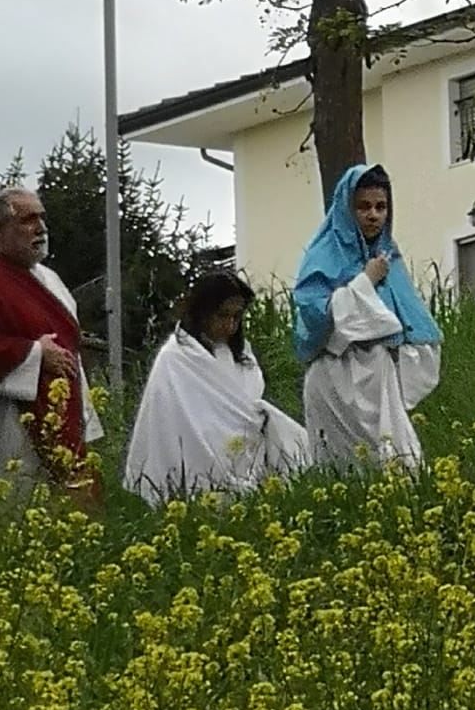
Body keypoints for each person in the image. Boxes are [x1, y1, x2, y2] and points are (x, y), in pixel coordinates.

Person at [0, 186, 102, 493]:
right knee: (10, 501)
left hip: (58, 417)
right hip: (5, 424)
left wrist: (84, 419)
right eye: (27, 219)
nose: (41, 228)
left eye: (41, 218)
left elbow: (70, 351)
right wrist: (34, 354)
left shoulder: (52, 280)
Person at [292, 163, 441, 471]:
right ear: (346, 209)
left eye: (380, 207)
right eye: (363, 207)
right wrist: (365, 281)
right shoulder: (322, 256)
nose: (373, 215)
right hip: (335, 379)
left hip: (379, 377)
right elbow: (317, 317)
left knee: (400, 465)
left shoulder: (388, 257)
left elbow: (408, 321)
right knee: (344, 471)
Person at [123, 270, 311, 503]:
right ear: (203, 312)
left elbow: (244, 409)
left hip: (247, 463)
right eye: (222, 315)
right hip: (191, 461)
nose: (230, 325)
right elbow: (176, 421)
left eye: (236, 317)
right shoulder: (175, 358)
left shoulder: (242, 354)